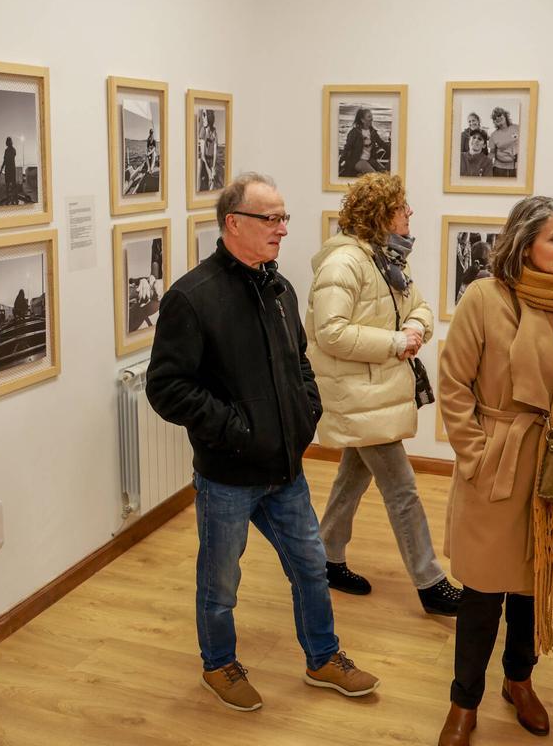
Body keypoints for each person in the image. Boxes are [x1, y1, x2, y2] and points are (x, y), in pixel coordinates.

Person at [146, 172, 380, 714]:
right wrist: (236, 429)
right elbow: (166, 387)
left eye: (283, 218)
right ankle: (219, 664)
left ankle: (323, 658)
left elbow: (298, 359)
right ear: (234, 224)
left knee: (311, 568)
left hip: (285, 469)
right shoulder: (191, 297)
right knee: (221, 580)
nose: (282, 229)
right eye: (270, 219)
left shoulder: (279, 287)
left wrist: (306, 411)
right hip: (228, 475)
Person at [435, 196, 553, 745]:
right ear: (524, 243)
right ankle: (463, 703)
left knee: (535, 582)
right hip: (498, 465)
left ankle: (519, 681)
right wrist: (475, 455)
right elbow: (453, 387)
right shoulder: (485, 298)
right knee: (482, 590)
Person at [305, 172, 462, 617]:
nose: (410, 213)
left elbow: (421, 308)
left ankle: (325, 558)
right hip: (359, 394)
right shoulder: (344, 265)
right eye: (402, 208)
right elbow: (329, 333)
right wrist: (396, 342)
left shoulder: (387, 258)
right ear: (381, 215)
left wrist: (414, 328)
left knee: (353, 476)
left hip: (375, 392)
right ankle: (430, 582)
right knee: (403, 490)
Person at [338, 107, 389, 177]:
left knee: (385, 172)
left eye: (372, 116)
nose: (372, 119)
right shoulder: (354, 132)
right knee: (375, 176)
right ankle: (361, 174)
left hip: (370, 159)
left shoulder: (373, 132)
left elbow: (381, 143)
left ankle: (361, 175)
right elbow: (347, 148)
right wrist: (341, 161)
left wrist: (393, 150)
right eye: (369, 117)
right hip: (357, 161)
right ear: (362, 120)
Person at [489, 107, 518, 177]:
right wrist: (485, 163)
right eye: (495, 118)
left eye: (499, 115)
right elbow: (492, 153)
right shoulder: (493, 135)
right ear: (494, 122)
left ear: (505, 115)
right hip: (499, 169)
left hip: (515, 168)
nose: (497, 118)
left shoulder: (517, 128)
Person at [198, 110, 220, 191]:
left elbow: (215, 151)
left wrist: (213, 168)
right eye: (202, 115)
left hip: (211, 161)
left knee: (212, 180)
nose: (203, 118)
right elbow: (202, 155)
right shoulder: (202, 131)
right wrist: (208, 170)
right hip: (204, 161)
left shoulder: (214, 132)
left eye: (204, 115)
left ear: (209, 117)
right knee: (206, 179)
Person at [0, 136, 18, 203]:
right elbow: (4, 160)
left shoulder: (13, 150)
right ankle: (8, 199)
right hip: (7, 169)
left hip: (12, 169)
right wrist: (2, 167)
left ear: (11, 142)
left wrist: (6, 161)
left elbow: (10, 157)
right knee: (7, 185)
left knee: (13, 185)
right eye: (7, 141)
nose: (8, 142)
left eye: (9, 141)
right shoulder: (6, 150)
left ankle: (15, 199)